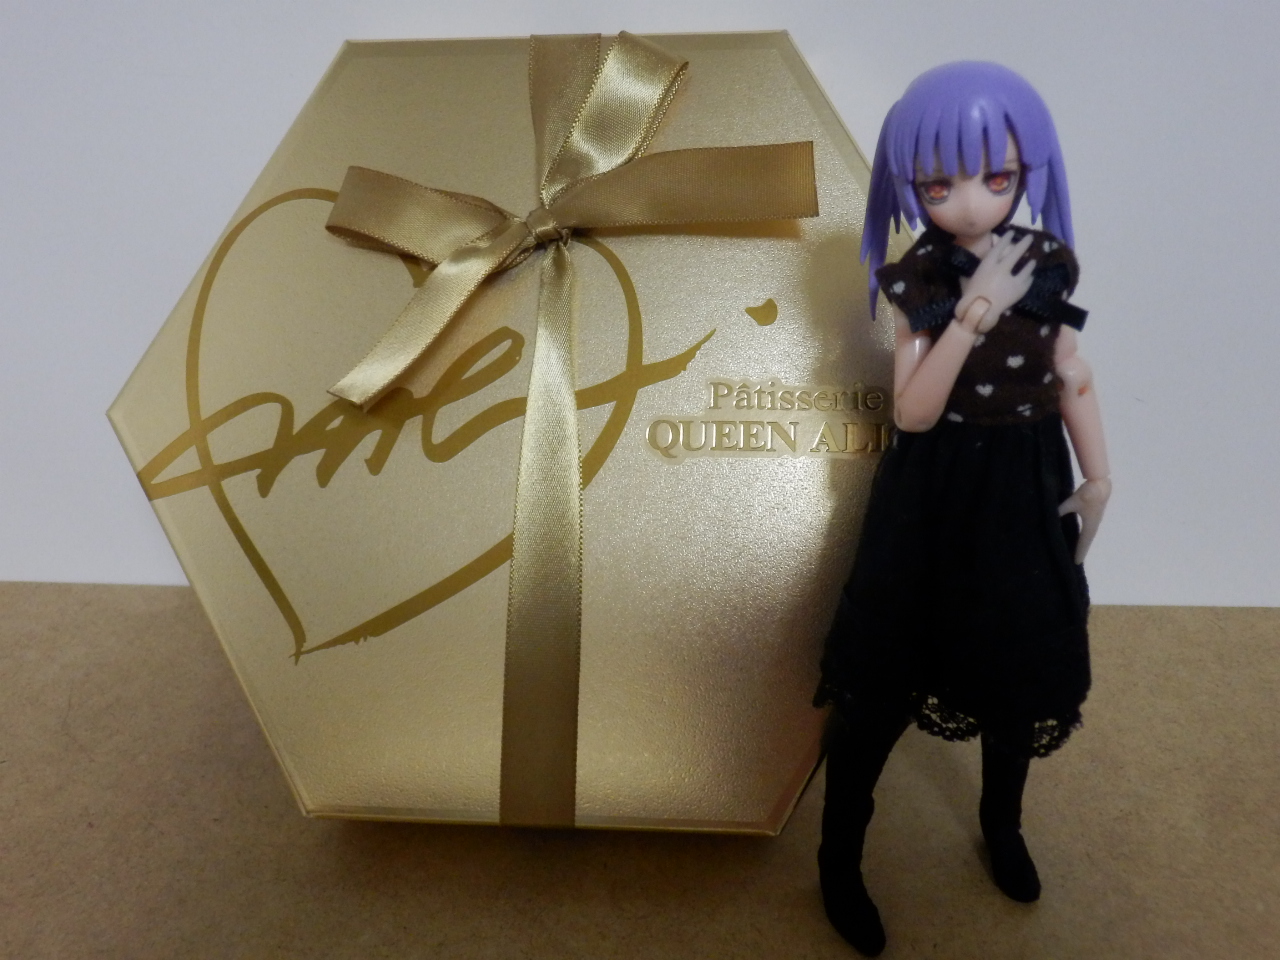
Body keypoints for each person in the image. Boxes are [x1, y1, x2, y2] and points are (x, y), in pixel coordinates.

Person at [814, 61, 1111, 956]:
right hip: (935, 490)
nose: (972, 203)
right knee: (885, 676)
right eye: (939, 186)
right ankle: (837, 857)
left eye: (997, 177)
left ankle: (1002, 823)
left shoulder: (1046, 262)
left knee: (1015, 663)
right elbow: (912, 412)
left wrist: (1099, 474)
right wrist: (973, 317)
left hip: (1025, 481)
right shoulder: (923, 276)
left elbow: (1070, 371)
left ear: (1029, 172)